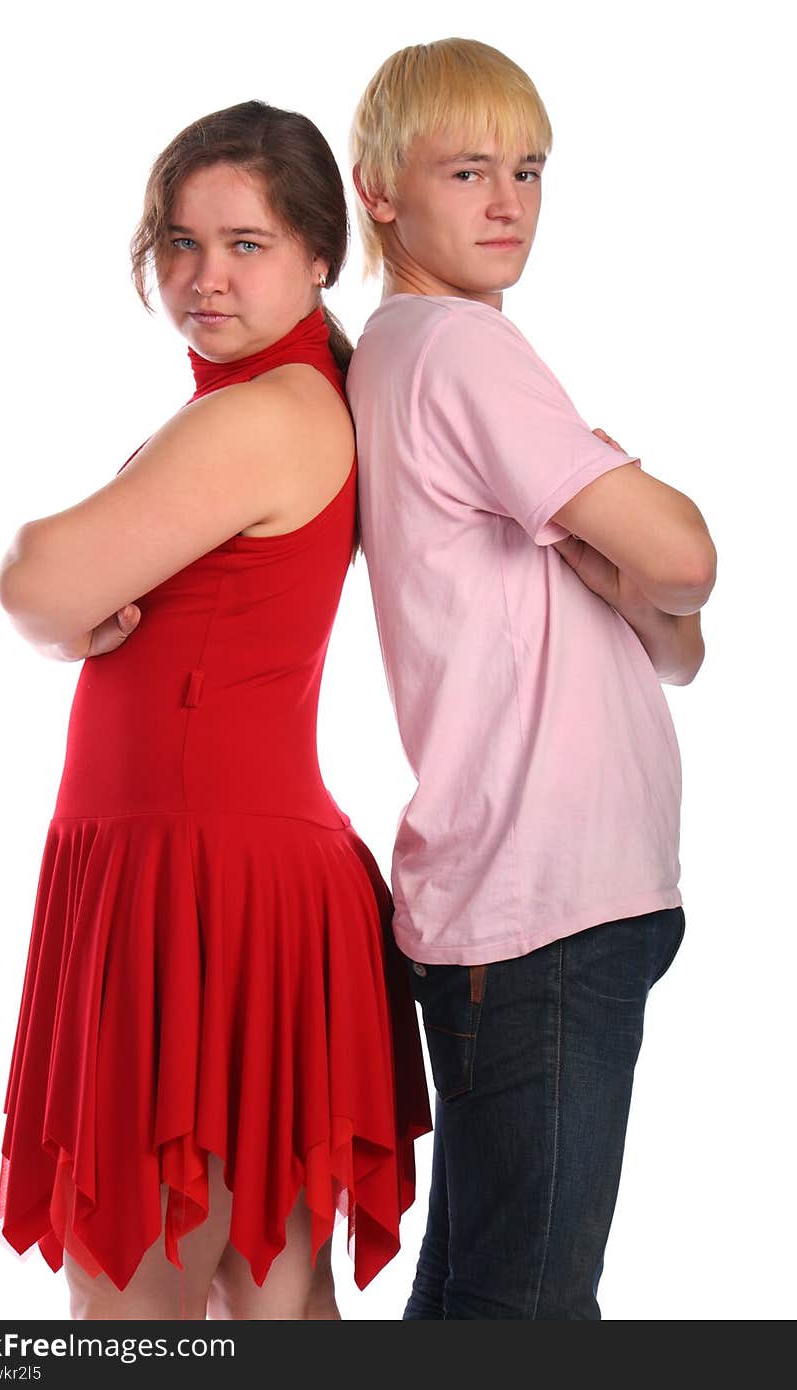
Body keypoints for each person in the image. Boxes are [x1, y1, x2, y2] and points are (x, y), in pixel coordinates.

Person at [0, 99, 431, 1322]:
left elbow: (33, 579)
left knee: (130, 1308)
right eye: (180, 244)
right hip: (229, 871)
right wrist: (68, 605)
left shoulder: (260, 416)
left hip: (198, 881)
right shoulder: (271, 405)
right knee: (271, 1302)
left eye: (244, 244)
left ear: (317, 257)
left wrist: (61, 602)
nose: (203, 276)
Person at [346, 38, 716, 1319]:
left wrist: (644, 578)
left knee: (480, 1303)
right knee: (530, 1315)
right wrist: (641, 551)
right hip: (544, 903)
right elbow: (684, 559)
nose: (507, 203)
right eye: (466, 170)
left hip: (539, 907)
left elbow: (676, 639)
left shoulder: (409, 355)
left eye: (529, 170)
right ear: (378, 188)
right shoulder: (461, 351)